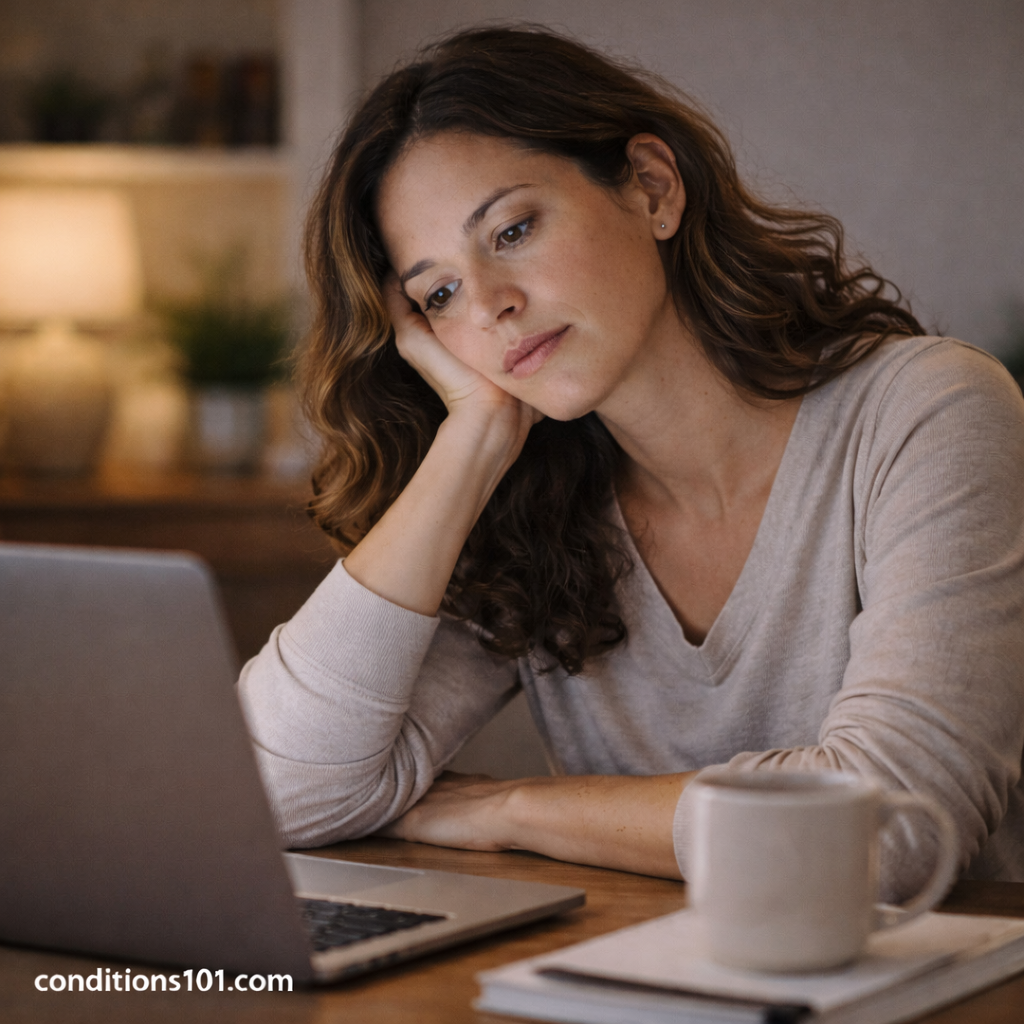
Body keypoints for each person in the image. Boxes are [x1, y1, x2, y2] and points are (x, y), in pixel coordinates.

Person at [238, 26, 1024, 899]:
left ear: (652, 188)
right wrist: (473, 438)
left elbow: (889, 833)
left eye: (512, 230)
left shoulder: (929, 412)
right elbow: (278, 792)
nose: (492, 307)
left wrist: (510, 811)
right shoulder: (531, 500)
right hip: (619, 986)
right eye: (440, 295)